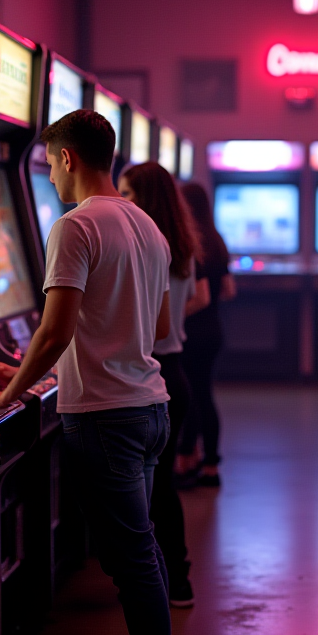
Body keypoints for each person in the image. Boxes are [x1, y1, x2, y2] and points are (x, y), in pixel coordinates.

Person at [0, 110, 180, 635]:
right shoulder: (149, 227)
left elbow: (56, 329)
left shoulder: (77, 225)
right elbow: (159, 328)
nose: (53, 180)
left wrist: (10, 389)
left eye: (51, 165)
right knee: (139, 552)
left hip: (106, 416)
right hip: (147, 407)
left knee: (133, 558)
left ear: (65, 158)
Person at [119, 162, 210, 608]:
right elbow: (193, 299)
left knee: (143, 491)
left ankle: (152, 580)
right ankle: (177, 577)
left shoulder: (141, 245)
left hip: (145, 372)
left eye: (128, 193)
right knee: (161, 485)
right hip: (176, 370)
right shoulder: (182, 245)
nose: (122, 202)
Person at [177, 182, 236, 487]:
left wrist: (170, 313)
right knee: (205, 396)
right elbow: (228, 290)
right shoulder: (217, 240)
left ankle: (189, 460)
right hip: (214, 331)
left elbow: (200, 297)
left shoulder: (192, 242)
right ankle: (210, 463)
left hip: (192, 332)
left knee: (190, 398)